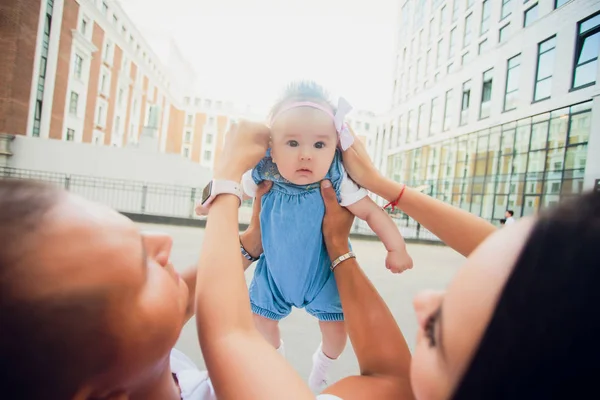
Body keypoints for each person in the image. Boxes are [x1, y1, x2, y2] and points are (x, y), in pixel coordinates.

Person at [2, 121, 599, 400]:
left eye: (142, 240)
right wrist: (228, 188)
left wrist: (244, 236)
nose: (163, 249)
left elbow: (200, 301)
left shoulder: (124, 364)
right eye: (139, 268)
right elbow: (231, 330)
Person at [227, 81, 413, 392]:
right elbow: (233, 187)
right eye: (292, 143)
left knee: (337, 332)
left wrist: (397, 248)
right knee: (260, 324)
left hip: (323, 275)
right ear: (272, 146)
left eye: (319, 145)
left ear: (334, 148)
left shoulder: (337, 179)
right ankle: (278, 363)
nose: (305, 156)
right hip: (273, 274)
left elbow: (371, 212)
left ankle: (323, 365)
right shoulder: (265, 171)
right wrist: (208, 201)